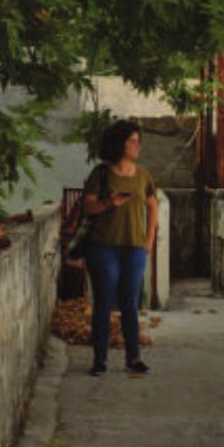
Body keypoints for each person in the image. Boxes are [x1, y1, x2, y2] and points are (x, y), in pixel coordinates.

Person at [77, 120, 158, 377]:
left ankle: (133, 358)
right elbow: (87, 207)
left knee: (130, 304)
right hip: (103, 247)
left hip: (134, 249)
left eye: (138, 141)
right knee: (103, 303)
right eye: (132, 141)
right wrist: (110, 203)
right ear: (119, 144)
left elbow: (153, 206)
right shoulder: (101, 173)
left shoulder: (143, 175)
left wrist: (148, 241)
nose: (137, 146)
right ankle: (100, 359)